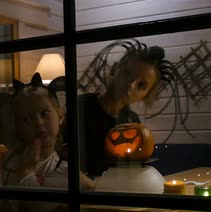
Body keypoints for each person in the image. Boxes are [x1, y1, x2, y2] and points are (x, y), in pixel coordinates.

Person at [0, 72, 95, 212]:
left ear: (60, 116)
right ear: (17, 127)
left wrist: (27, 172)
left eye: (45, 114)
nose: (38, 123)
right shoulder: (5, 161)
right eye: (26, 119)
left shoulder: (61, 169)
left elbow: (39, 207)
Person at [62, 39, 175, 178]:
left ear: (145, 95)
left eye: (141, 85)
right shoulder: (78, 106)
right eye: (128, 74)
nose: (131, 85)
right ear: (114, 69)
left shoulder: (132, 122)